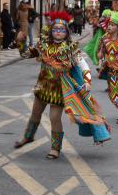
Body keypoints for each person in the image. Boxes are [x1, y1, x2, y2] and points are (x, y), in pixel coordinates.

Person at [14, 11, 110, 159]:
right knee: (35, 114)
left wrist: (87, 81)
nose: (58, 32)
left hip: (59, 89)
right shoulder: (43, 45)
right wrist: (21, 42)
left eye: (61, 30)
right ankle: (28, 136)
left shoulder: (71, 49)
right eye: (55, 29)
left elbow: (84, 66)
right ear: (51, 31)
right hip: (42, 86)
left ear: (66, 32)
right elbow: (25, 55)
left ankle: (55, 148)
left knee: (54, 118)